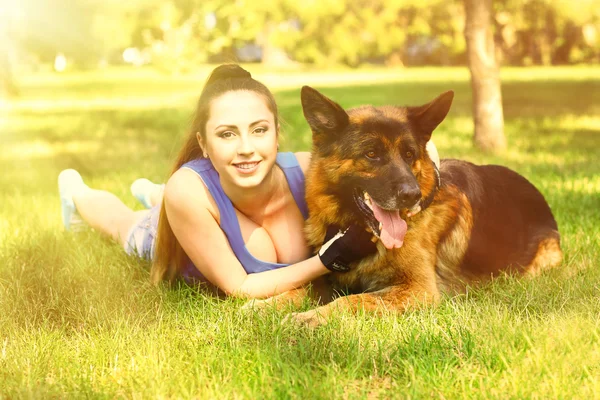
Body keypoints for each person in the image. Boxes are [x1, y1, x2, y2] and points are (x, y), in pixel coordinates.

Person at [58, 64, 382, 299]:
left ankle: (153, 192)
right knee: (125, 225)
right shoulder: (187, 191)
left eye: (259, 130)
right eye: (227, 134)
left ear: (277, 133)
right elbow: (241, 287)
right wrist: (327, 260)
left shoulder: (310, 171)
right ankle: (76, 192)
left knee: (164, 198)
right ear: (203, 143)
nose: (246, 148)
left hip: (202, 200)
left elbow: (383, 159)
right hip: (185, 218)